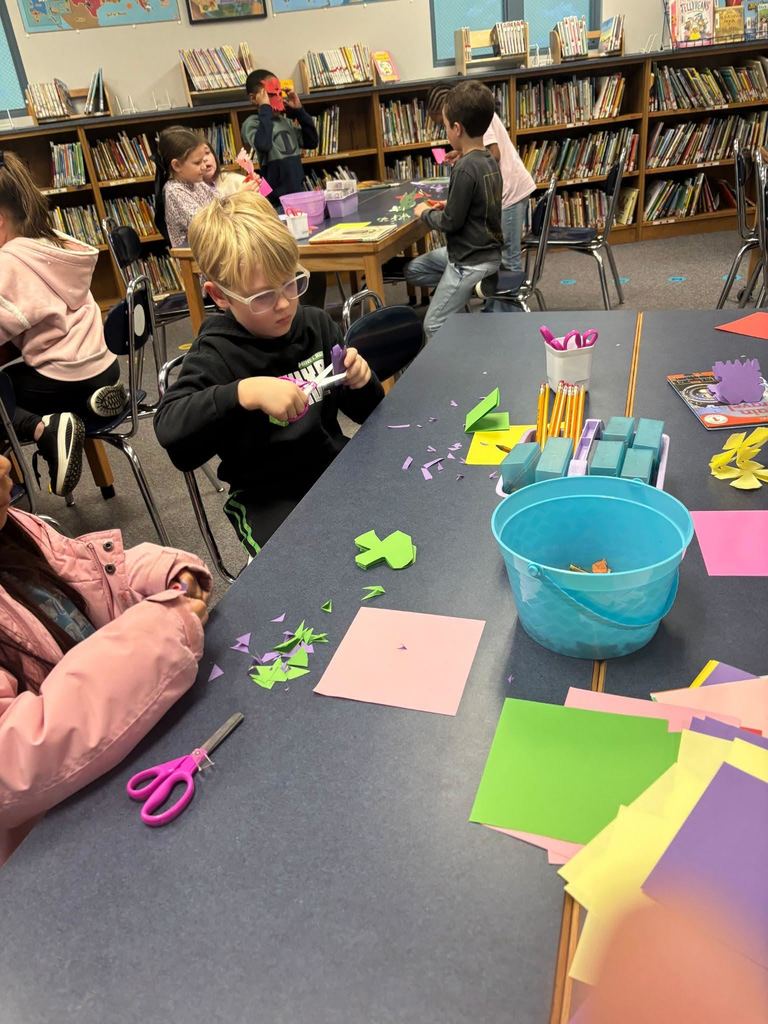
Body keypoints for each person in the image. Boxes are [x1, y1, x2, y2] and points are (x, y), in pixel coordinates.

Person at [0, 452, 212, 865]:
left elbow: (91, 579)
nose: (6, 463)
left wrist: (163, 574)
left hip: (122, 756)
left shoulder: (15, 525)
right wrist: (161, 631)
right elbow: (12, 763)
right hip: (56, 849)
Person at [154, 191, 384, 559]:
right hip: (265, 497)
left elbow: (366, 412)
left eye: (291, 283)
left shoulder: (315, 324)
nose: (283, 304)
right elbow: (171, 432)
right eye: (261, 296)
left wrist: (361, 379)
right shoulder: (215, 353)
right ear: (219, 296)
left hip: (334, 468)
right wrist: (243, 392)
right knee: (304, 572)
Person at [0, 150, 127, 497]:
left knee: (3, 390)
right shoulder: (53, 242)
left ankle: (45, 429)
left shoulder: (9, 261)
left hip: (59, 377)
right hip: (102, 365)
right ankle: (86, 406)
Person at [404, 81, 502, 338]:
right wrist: (450, 204)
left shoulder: (464, 167)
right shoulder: (489, 160)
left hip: (469, 261)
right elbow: (480, 205)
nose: (445, 130)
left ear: (457, 129)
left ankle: (456, 363)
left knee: (432, 325)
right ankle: (459, 303)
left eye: (445, 125)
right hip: (485, 254)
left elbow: (450, 223)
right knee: (414, 269)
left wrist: (424, 212)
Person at [427, 84, 534, 272]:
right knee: (501, 258)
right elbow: (480, 151)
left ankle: (510, 300)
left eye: (443, 124)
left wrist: (468, 161)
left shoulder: (476, 115)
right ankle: (496, 301)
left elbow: (493, 153)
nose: (444, 130)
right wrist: (462, 154)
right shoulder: (473, 112)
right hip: (502, 190)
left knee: (508, 260)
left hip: (511, 191)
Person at [240, 71, 318, 205]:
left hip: (298, 195)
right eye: (270, 95)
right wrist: (265, 108)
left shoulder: (285, 122)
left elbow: (311, 142)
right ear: (253, 98)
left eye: (279, 93)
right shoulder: (252, 124)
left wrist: (299, 111)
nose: (277, 98)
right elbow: (263, 144)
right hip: (275, 201)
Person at [153, 125, 218, 249]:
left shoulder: (196, 182)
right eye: (197, 163)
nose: (204, 166)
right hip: (197, 255)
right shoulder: (174, 191)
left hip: (212, 249)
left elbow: (220, 203)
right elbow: (205, 226)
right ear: (177, 165)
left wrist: (241, 196)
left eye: (203, 161)